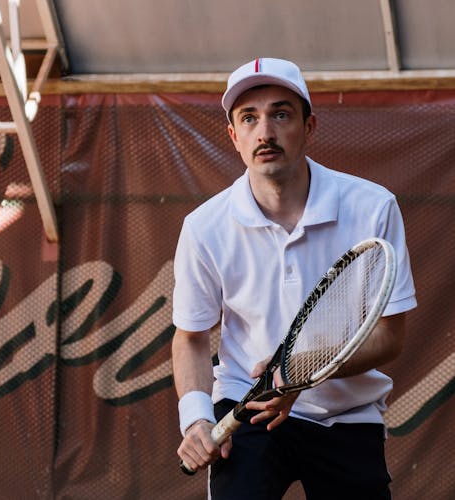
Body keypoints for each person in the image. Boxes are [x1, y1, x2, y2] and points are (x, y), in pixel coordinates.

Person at [171, 57, 417, 499]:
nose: (265, 131)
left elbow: (390, 337)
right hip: (249, 405)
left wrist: (300, 374)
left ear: (309, 126)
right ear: (234, 136)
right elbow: (190, 336)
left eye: (281, 114)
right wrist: (197, 417)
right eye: (249, 118)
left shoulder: (373, 207)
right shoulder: (204, 226)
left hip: (349, 411)